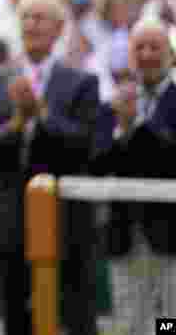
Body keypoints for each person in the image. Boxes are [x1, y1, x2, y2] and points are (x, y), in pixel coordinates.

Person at [0, 0, 99, 335]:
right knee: (16, 321)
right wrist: (15, 125)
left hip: (66, 223)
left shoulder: (83, 82)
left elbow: (86, 146)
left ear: (59, 28)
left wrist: (40, 116)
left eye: (39, 17)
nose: (31, 24)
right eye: (25, 16)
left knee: (76, 319)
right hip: (9, 222)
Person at [91, 17, 176, 335]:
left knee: (170, 321)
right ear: (129, 56)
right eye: (139, 47)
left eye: (155, 47)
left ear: (171, 54)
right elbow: (97, 165)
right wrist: (120, 130)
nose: (147, 54)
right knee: (130, 323)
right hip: (124, 234)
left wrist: (136, 128)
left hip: (171, 236)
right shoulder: (111, 106)